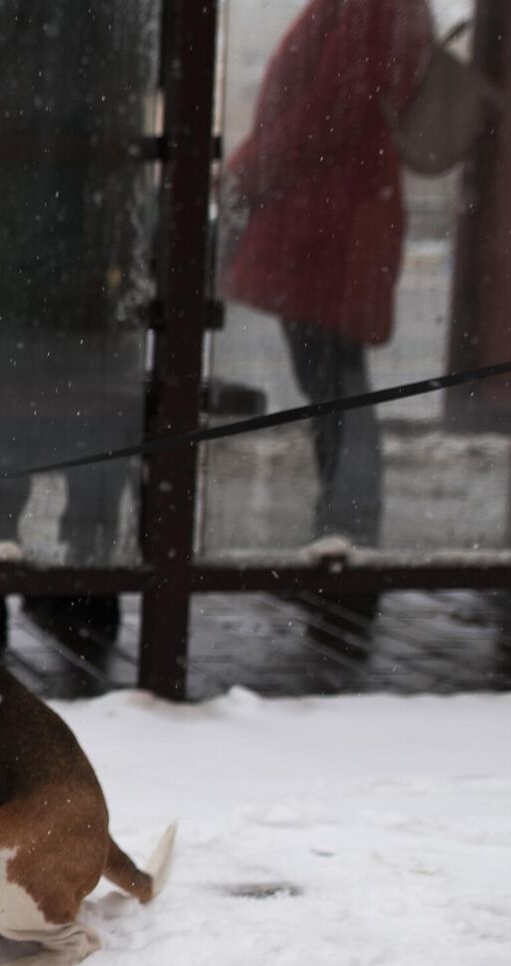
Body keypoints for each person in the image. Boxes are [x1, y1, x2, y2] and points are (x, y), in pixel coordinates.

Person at [0, 0, 157, 649]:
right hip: (99, 240)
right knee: (96, 426)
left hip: (1, 252)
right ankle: (86, 588)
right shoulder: (120, 21)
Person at [223, 0, 434, 562]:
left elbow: (335, 107)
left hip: (329, 223)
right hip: (330, 218)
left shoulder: (372, 6)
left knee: (337, 382)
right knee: (334, 381)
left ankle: (348, 534)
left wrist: (250, 167)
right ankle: (343, 528)